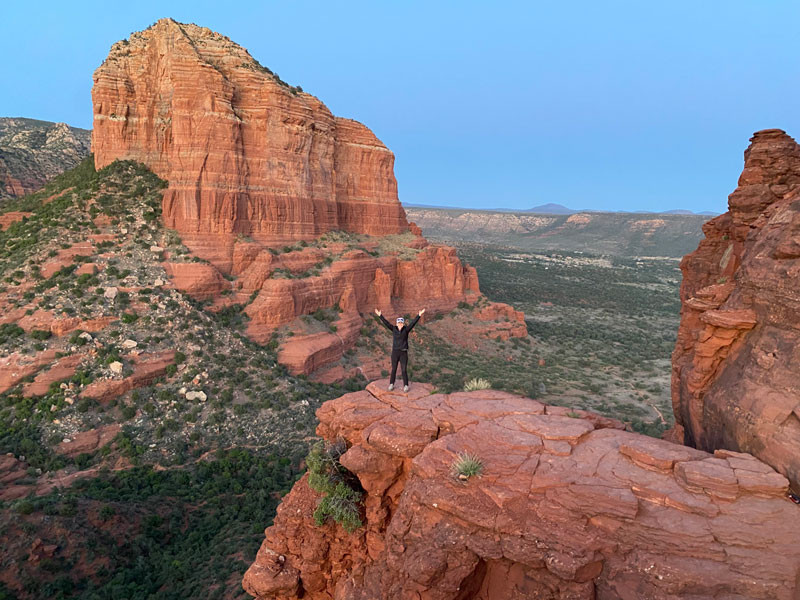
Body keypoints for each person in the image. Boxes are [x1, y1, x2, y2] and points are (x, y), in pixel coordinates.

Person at [374, 307, 425, 392]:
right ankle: (391, 384)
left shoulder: (406, 330)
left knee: (404, 370)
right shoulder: (394, 329)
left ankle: (406, 385)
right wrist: (380, 315)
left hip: (403, 352)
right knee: (394, 369)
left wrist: (419, 315)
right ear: (397, 323)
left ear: (403, 323)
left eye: (401, 322)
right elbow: (386, 323)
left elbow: (413, 323)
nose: (400, 324)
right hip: (395, 352)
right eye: (399, 322)